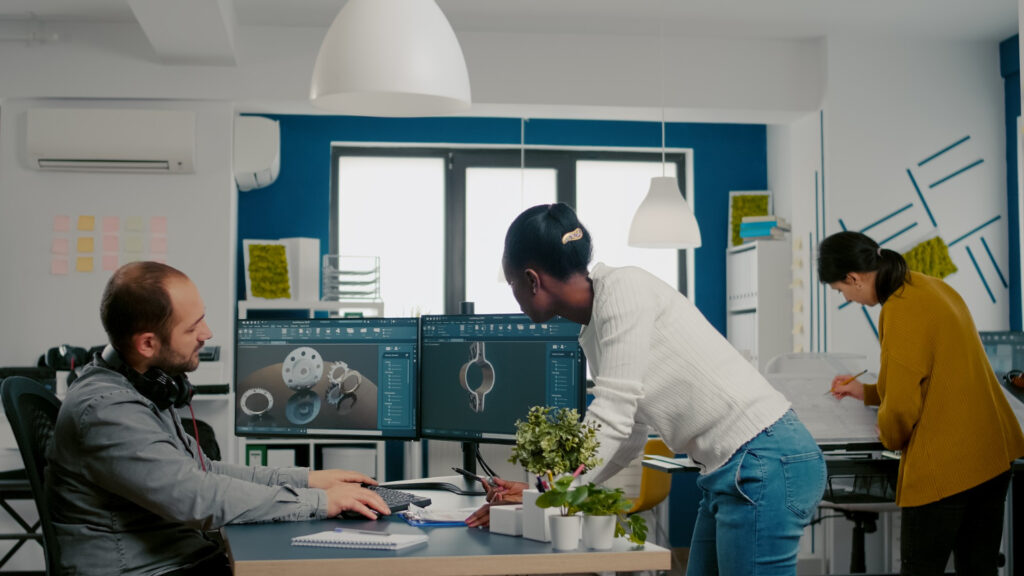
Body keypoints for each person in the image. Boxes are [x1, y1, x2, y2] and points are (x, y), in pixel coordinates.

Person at [466, 203, 826, 575]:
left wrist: (538, 496)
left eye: (511, 284)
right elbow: (630, 436)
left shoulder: (623, 289)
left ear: (532, 280)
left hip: (763, 457)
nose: (514, 295)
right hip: (732, 468)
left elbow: (612, 414)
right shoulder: (594, 330)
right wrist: (535, 490)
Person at [47, 261, 390, 575]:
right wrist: (320, 503)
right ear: (147, 343)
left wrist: (308, 480)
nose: (207, 333)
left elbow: (204, 471)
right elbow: (199, 497)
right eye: (193, 327)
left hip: (174, 559)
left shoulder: (146, 385)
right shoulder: (108, 411)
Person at [819, 230, 1024, 575]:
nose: (849, 299)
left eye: (842, 291)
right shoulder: (928, 286)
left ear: (854, 278)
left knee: (920, 568)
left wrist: (888, 434)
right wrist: (865, 392)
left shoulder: (899, 310)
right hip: (991, 456)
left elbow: (900, 409)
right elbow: (928, 375)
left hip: (947, 465)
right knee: (979, 567)